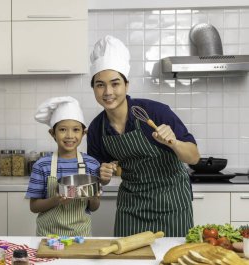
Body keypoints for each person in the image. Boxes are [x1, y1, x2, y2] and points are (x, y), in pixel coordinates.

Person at [86, 35, 200, 237]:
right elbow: (97, 178)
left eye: (115, 83)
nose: (108, 92)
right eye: (100, 85)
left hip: (172, 203)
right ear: (94, 88)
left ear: (126, 85)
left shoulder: (155, 112)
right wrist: (102, 177)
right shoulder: (97, 128)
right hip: (132, 207)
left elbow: (194, 157)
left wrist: (173, 143)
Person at [26, 96, 100, 236]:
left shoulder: (91, 164)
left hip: (82, 236)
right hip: (48, 236)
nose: (70, 135)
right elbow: (34, 206)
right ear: (52, 133)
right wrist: (56, 200)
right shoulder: (42, 165)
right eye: (63, 130)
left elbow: (94, 207)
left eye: (76, 130)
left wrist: (94, 197)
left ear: (84, 133)